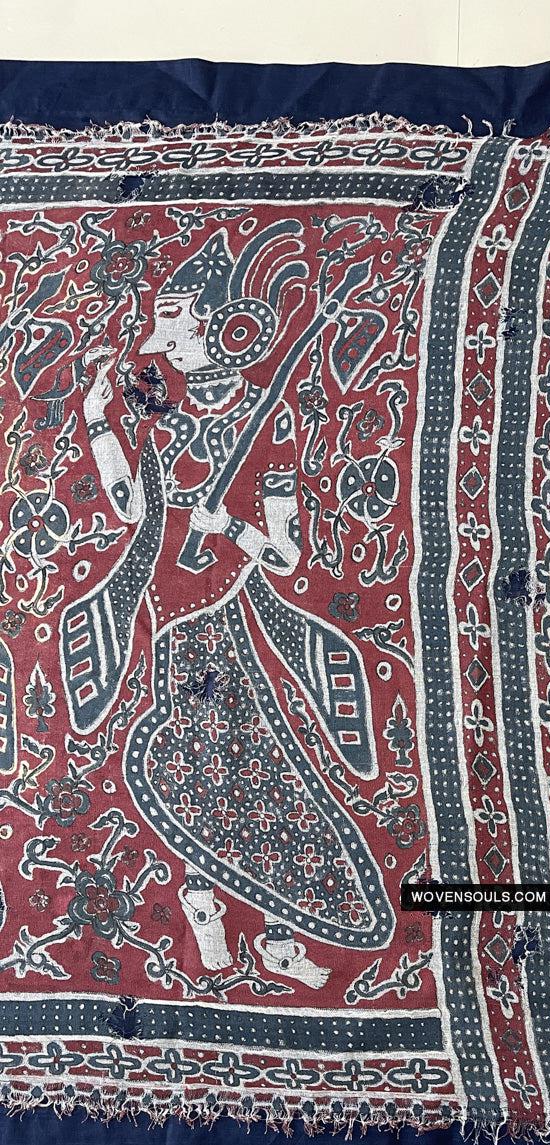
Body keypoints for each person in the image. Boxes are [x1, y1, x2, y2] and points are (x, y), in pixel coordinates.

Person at [60, 221, 394, 988]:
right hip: (168, 619)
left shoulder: (267, 420)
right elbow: (129, 507)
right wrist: (98, 420)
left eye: (174, 315)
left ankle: (274, 937)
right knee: (189, 765)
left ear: (225, 323)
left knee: (261, 773)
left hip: (234, 618)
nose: (160, 334)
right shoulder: (162, 419)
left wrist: (230, 527)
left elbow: (287, 554)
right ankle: (204, 912)